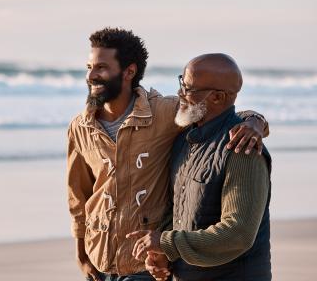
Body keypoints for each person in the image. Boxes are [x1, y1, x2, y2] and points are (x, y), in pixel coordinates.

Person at [67, 28, 269, 281]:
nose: (91, 75)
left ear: (129, 71)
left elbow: (223, 113)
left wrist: (255, 122)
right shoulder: (80, 127)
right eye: (89, 66)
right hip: (100, 261)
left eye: (101, 68)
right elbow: (78, 196)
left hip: (143, 266)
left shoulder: (166, 113)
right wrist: (82, 255)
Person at [127, 53, 272, 281]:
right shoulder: (184, 140)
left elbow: (239, 233)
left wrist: (166, 242)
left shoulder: (243, 150)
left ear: (217, 97)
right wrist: (163, 254)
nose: (180, 94)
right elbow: (179, 210)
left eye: (188, 88)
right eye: (181, 83)